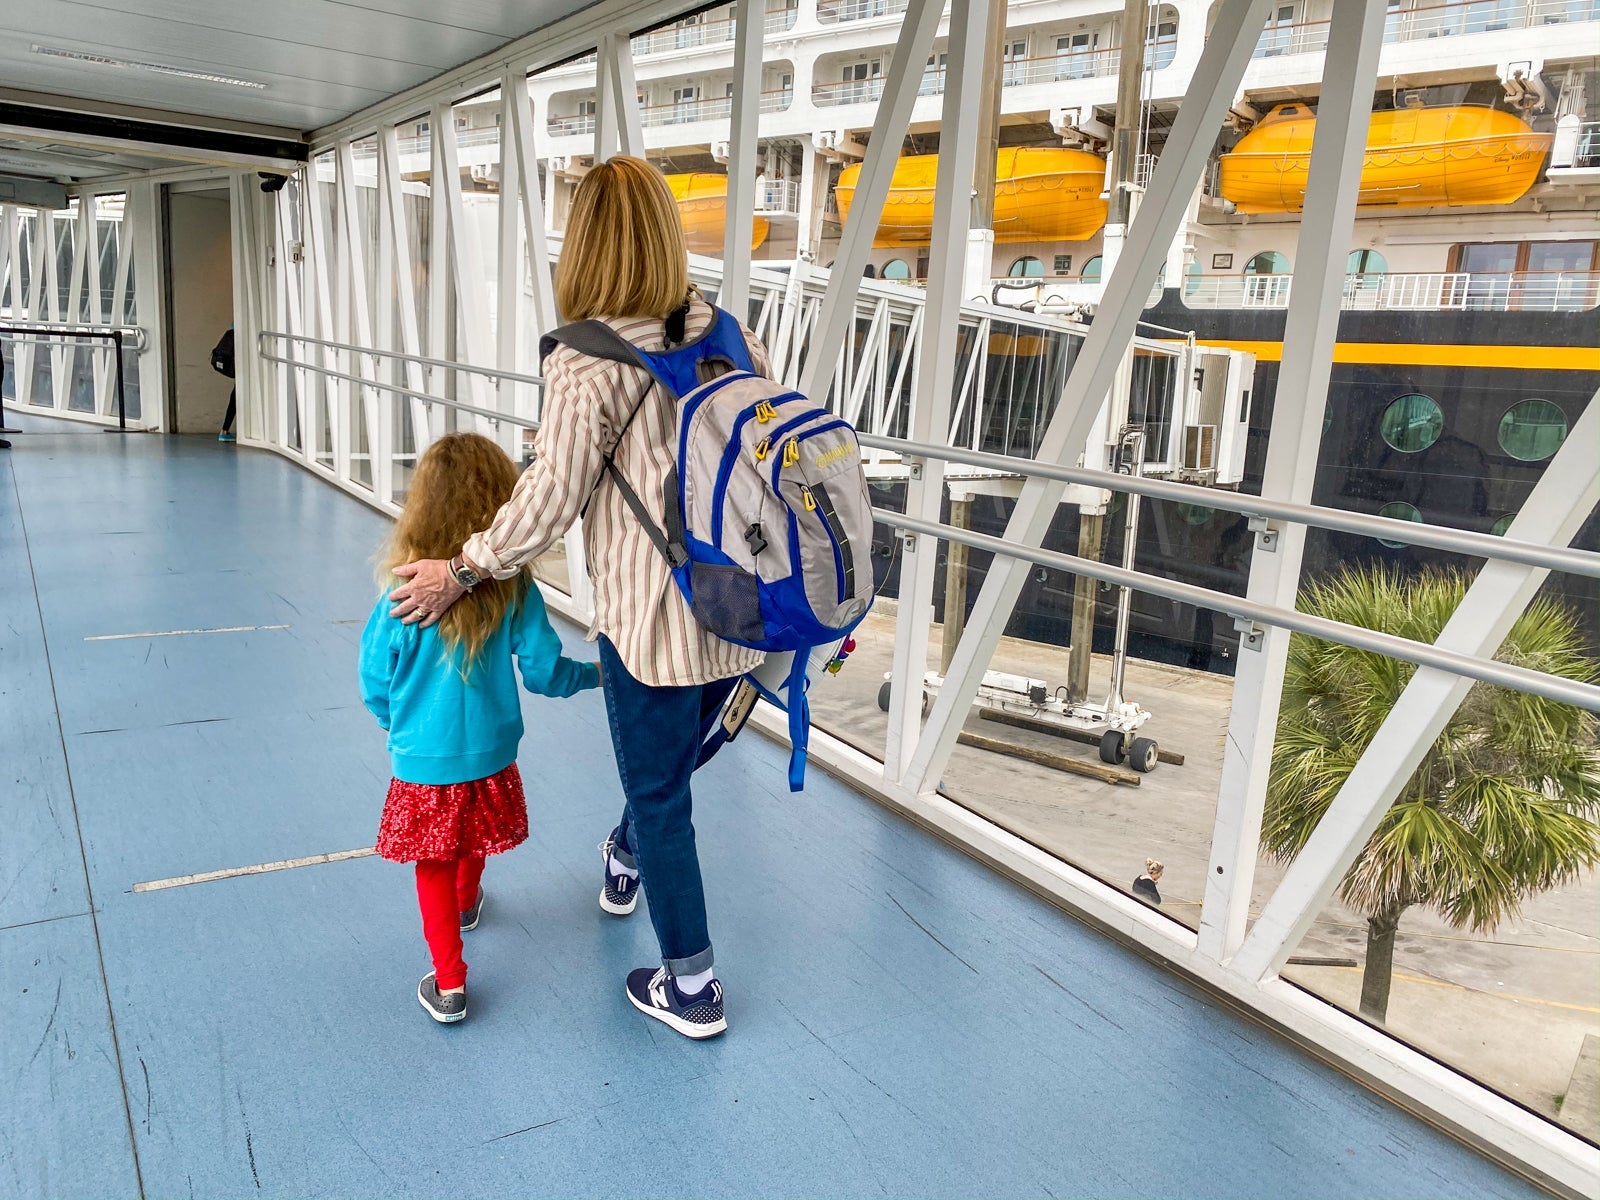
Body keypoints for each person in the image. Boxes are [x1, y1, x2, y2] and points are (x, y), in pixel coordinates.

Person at [385, 155, 773, 1040]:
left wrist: (464, 569)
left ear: (585, 247)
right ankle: (626, 850)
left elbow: (550, 505)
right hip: (741, 610)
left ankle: (692, 987)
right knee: (671, 773)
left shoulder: (584, 357)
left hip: (649, 625)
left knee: (661, 791)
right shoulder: (730, 334)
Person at [359, 432, 601, 1024]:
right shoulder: (513, 588)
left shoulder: (401, 592)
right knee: (474, 829)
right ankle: (469, 903)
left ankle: (449, 984)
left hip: (423, 757)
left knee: (433, 860)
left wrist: (403, 727)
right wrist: (599, 676)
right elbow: (545, 673)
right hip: (492, 751)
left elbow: (374, 681)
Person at [210, 325, 236, 442]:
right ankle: (224, 431)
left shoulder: (231, 330)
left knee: (235, 396)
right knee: (236, 397)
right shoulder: (243, 330)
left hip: (230, 365)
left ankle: (224, 430)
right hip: (240, 366)